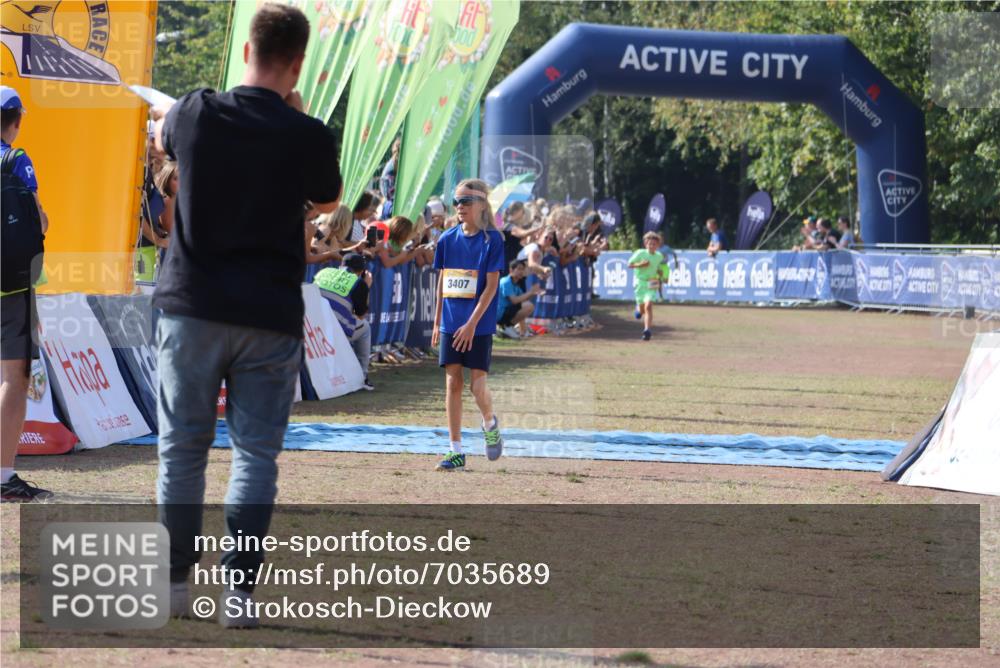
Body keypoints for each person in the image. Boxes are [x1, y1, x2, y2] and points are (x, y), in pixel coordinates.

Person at [151, 3, 342, 627]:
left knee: (182, 452)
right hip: (270, 314)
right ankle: (239, 598)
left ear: (245, 52)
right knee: (256, 457)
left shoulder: (197, 111)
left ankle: (176, 587)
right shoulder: (308, 134)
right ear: (298, 63)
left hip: (193, 308)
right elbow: (330, 197)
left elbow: (161, 136)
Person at [1, 86, 53, 502]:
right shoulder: (16, 160)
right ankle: (3, 477)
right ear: (16, 120)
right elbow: (40, 222)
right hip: (11, 287)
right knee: (12, 380)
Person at [431, 178, 505, 471]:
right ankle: (456, 450)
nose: (459, 207)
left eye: (465, 201)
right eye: (456, 202)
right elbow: (442, 280)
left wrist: (473, 323)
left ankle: (490, 423)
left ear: (481, 205)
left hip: (480, 325)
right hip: (451, 321)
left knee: (477, 386)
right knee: (452, 381)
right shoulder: (447, 239)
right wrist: (437, 321)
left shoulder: (493, 240)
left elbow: (491, 287)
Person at [313, 253, 374, 391]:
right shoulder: (358, 283)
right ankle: (362, 377)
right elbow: (360, 315)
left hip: (311, 327)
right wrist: (366, 287)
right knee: (365, 328)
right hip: (334, 331)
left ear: (341, 265)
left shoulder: (323, 272)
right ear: (361, 272)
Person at [629, 231, 669, 341]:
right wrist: (640, 264)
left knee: (648, 306)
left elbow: (660, 268)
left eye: (654, 244)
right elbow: (629, 264)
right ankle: (638, 310)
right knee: (642, 309)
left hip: (652, 283)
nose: (652, 246)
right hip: (640, 283)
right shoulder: (640, 253)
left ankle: (647, 330)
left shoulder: (659, 256)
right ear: (646, 243)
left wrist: (661, 273)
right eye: (650, 243)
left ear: (658, 245)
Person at [496, 259, 542, 339]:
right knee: (528, 306)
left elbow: (522, 300)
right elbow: (514, 301)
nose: (521, 271)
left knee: (528, 306)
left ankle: (508, 327)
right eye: (519, 269)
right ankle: (505, 327)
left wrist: (534, 292)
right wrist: (530, 292)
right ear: (511, 270)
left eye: (523, 269)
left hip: (507, 312)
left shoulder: (516, 284)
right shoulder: (506, 282)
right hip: (498, 313)